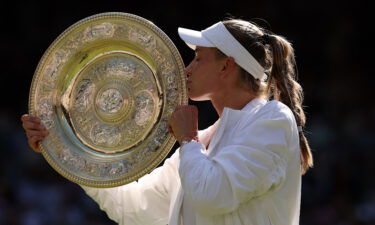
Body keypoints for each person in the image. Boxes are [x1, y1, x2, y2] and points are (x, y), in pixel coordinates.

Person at [21, 18, 313, 225]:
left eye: (198, 59)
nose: (187, 69)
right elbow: (132, 209)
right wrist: (65, 146)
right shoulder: (202, 141)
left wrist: (187, 140)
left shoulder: (272, 118)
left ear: (227, 66)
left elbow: (214, 195)